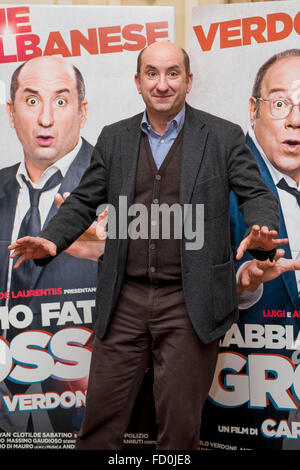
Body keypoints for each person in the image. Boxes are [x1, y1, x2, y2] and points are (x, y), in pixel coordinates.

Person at [8, 41, 283, 450]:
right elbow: (84, 199)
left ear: (189, 81)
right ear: (138, 82)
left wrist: (261, 229)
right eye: (152, 73)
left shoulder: (224, 137)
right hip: (125, 299)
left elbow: (256, 194)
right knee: (100, 425)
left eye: (173, 73)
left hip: (192, 303)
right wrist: (51, 237)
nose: (162, 83)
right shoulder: (115, 137)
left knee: (179, 432)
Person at [0, 56, 104, 433]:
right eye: (31, 101)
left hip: (92, 413)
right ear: (11, 113)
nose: (45, 119)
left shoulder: (126, 188)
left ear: (83, 110)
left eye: (61, 101)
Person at [225, 49, 300, 450]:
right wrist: (242, 283)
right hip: (239, 411)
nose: (296, 120)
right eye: (280, 103)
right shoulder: (214, 179)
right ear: (254, 109)